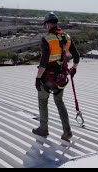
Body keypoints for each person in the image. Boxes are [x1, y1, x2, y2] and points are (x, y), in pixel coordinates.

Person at [33, 12, 80, 142]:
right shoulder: (67, 37)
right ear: (56, 23)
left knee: (43, 101)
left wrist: (37, 78)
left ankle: (43, 129)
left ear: (47, 24)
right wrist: (74, 69)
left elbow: (43, 62)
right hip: (61, 78)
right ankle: (67, 131)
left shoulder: (47, 38)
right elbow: (77, 56)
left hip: (47, 78)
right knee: (59, 102)